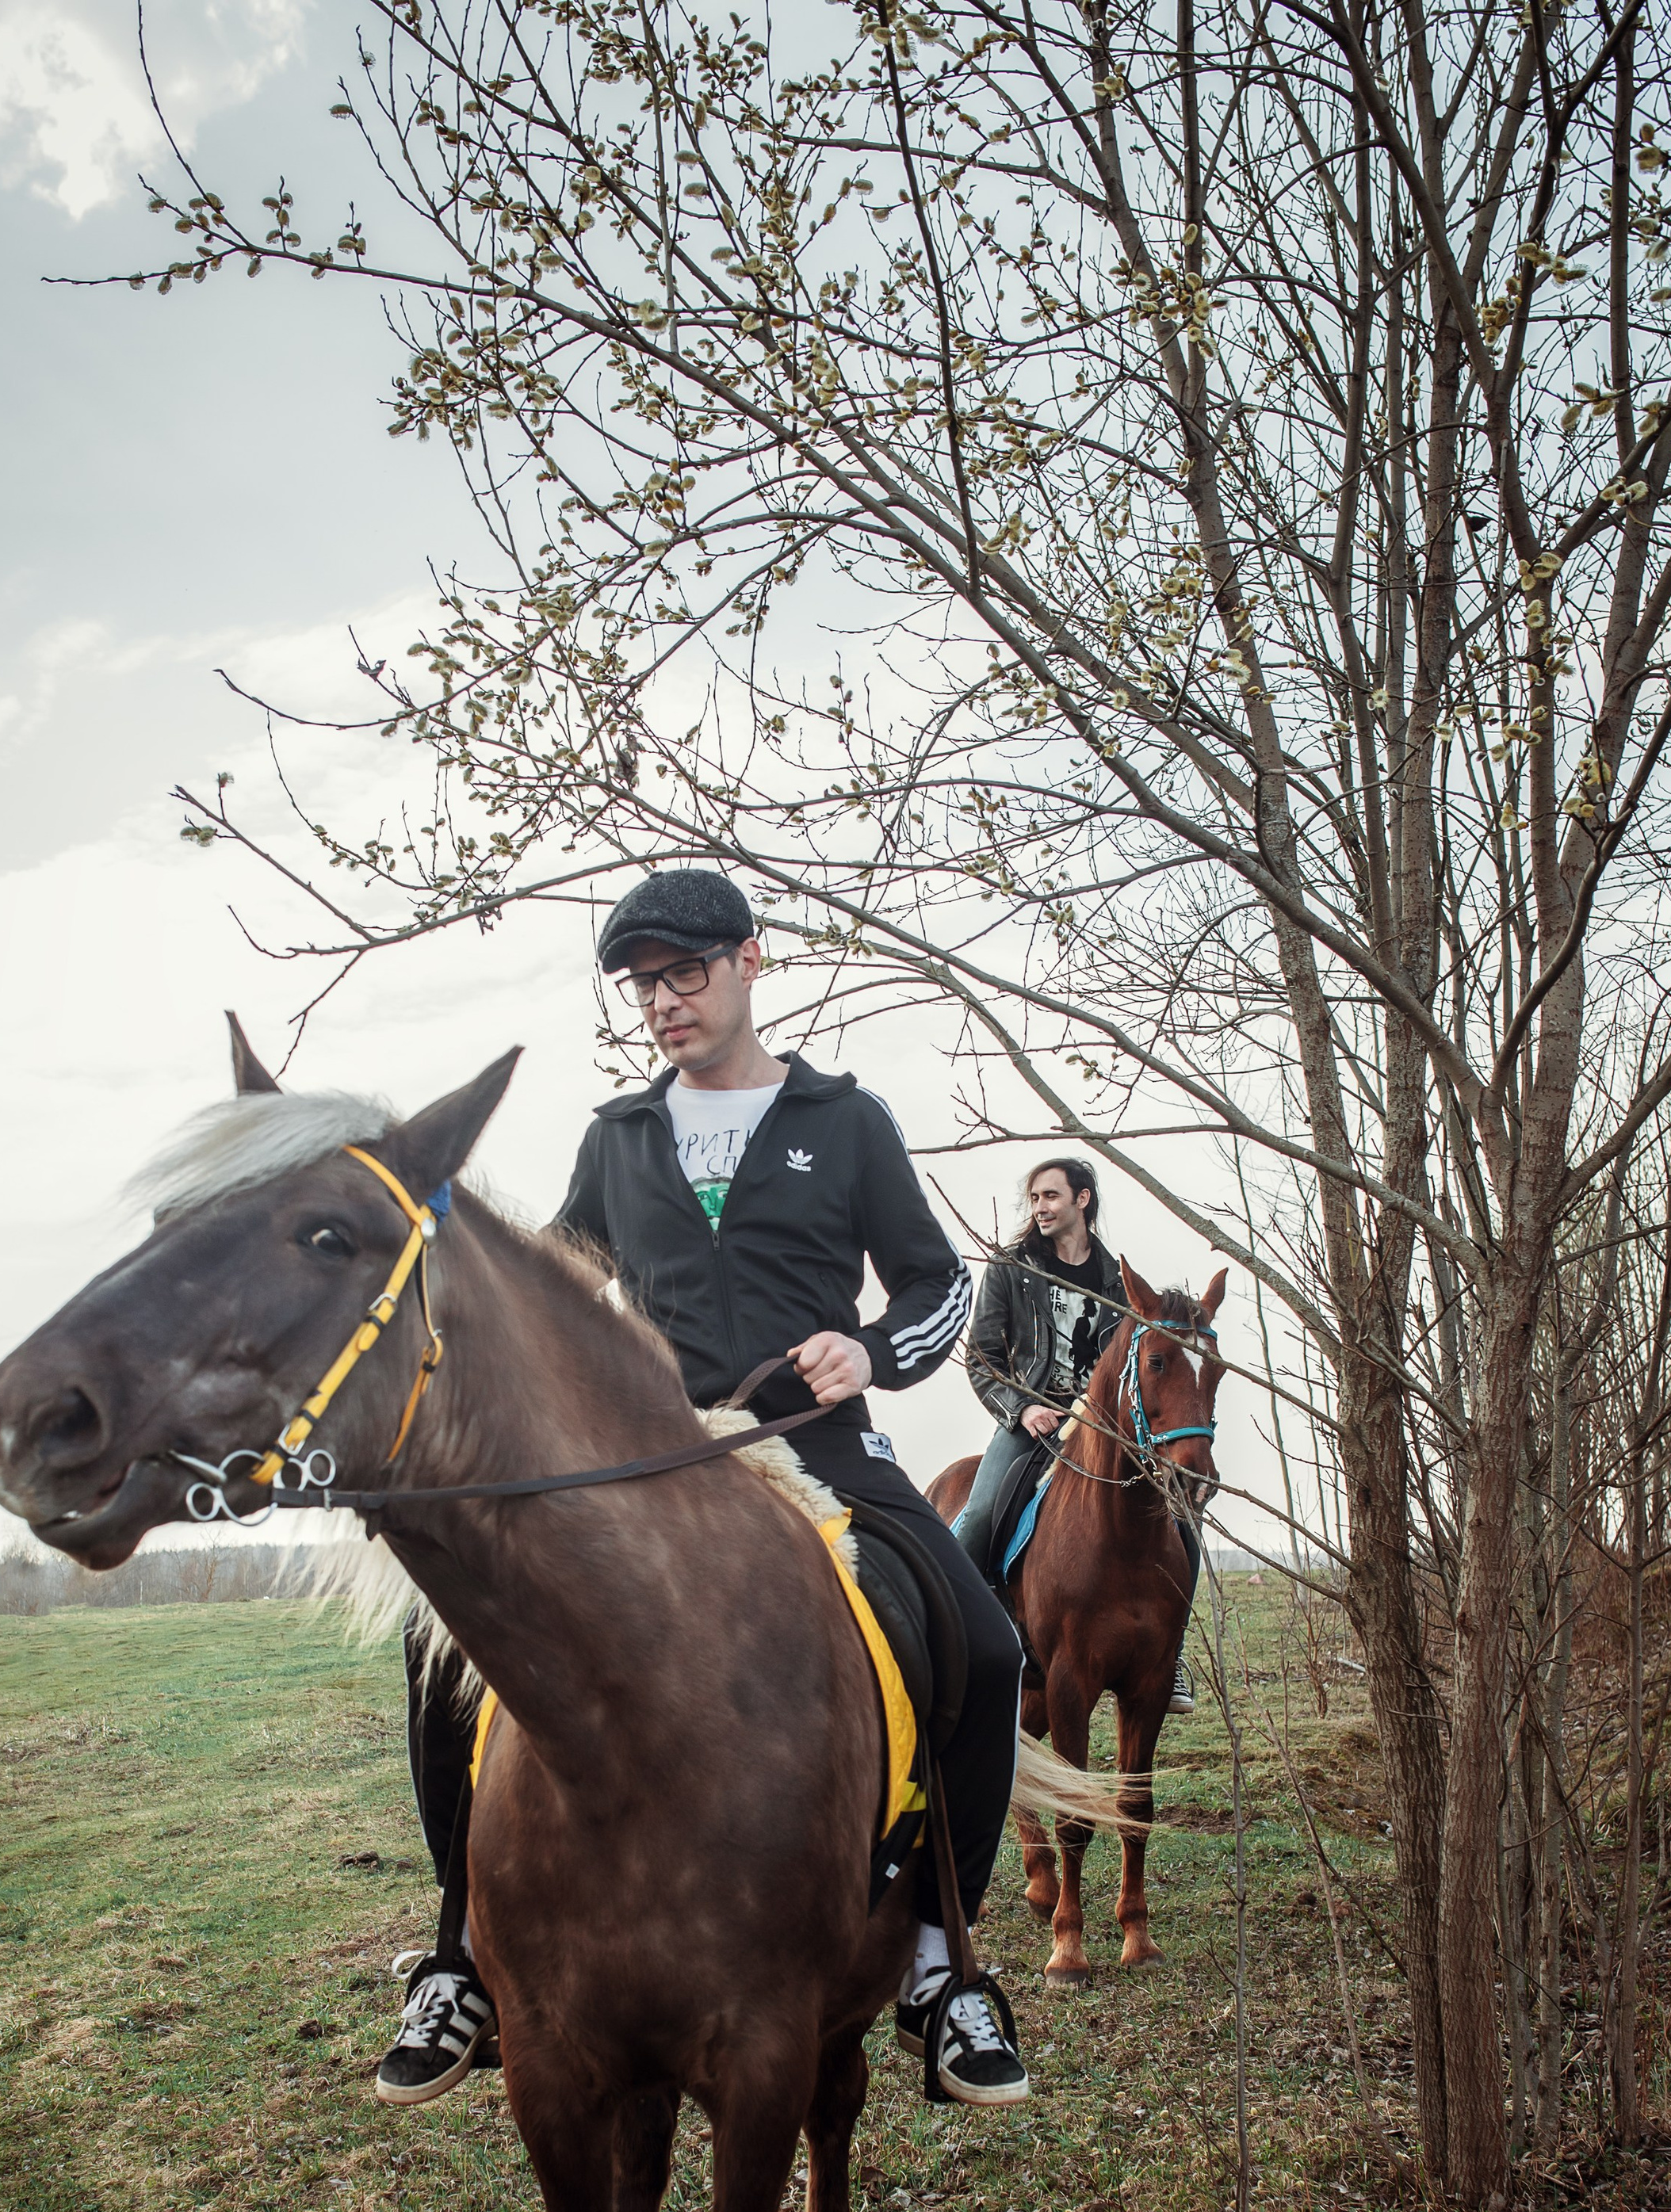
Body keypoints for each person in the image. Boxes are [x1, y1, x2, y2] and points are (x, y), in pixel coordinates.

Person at [377, 866, 1031, 2112]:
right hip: (659, 1452)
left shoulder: (846, 1120)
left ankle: (946, 1965)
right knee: (441, 1645)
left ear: (749, 963)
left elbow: (936, 1284)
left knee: (988, 1646)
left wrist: (873, 1351)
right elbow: (555, 1289)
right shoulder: (618, 1139)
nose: (663, 1002)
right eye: (642, 985)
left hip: (822, 1440)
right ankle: (461, 1953)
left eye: (686, 974)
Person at [950, 1158, 1197, 1713]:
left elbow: (1139, 1366)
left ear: (1082, 1200)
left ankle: (1172, 1656)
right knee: (981, 1515)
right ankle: (962, 1635)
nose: (1040, 1207)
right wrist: (1022, 1409)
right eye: (1034, 1197)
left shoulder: (1118, 1281)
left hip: (1103, 1429)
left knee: (1182, 1523)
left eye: (1051, 1196)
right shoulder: (1011, 1268)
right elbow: (983, 1358)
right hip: (1032, 1420)